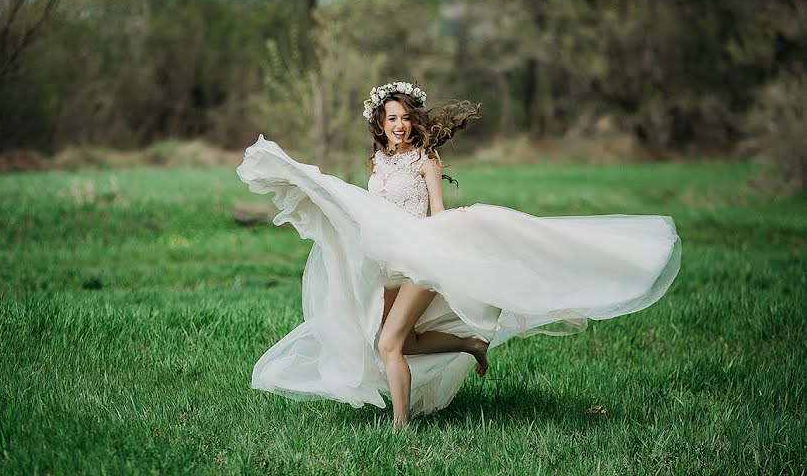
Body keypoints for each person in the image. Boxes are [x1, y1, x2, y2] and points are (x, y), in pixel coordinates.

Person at [236, 81, 681, 430]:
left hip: (421, 262)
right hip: (387, 264)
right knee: (397, 342)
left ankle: (400, 428)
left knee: (388, 344)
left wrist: (455, 230)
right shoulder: (377, 162)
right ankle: (471, 344)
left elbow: (436, 214)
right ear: (380, 123)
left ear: (414, 120)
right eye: (391, 118)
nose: (399, 125)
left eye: (405, 117)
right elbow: (370, 210)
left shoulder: (426, 160)